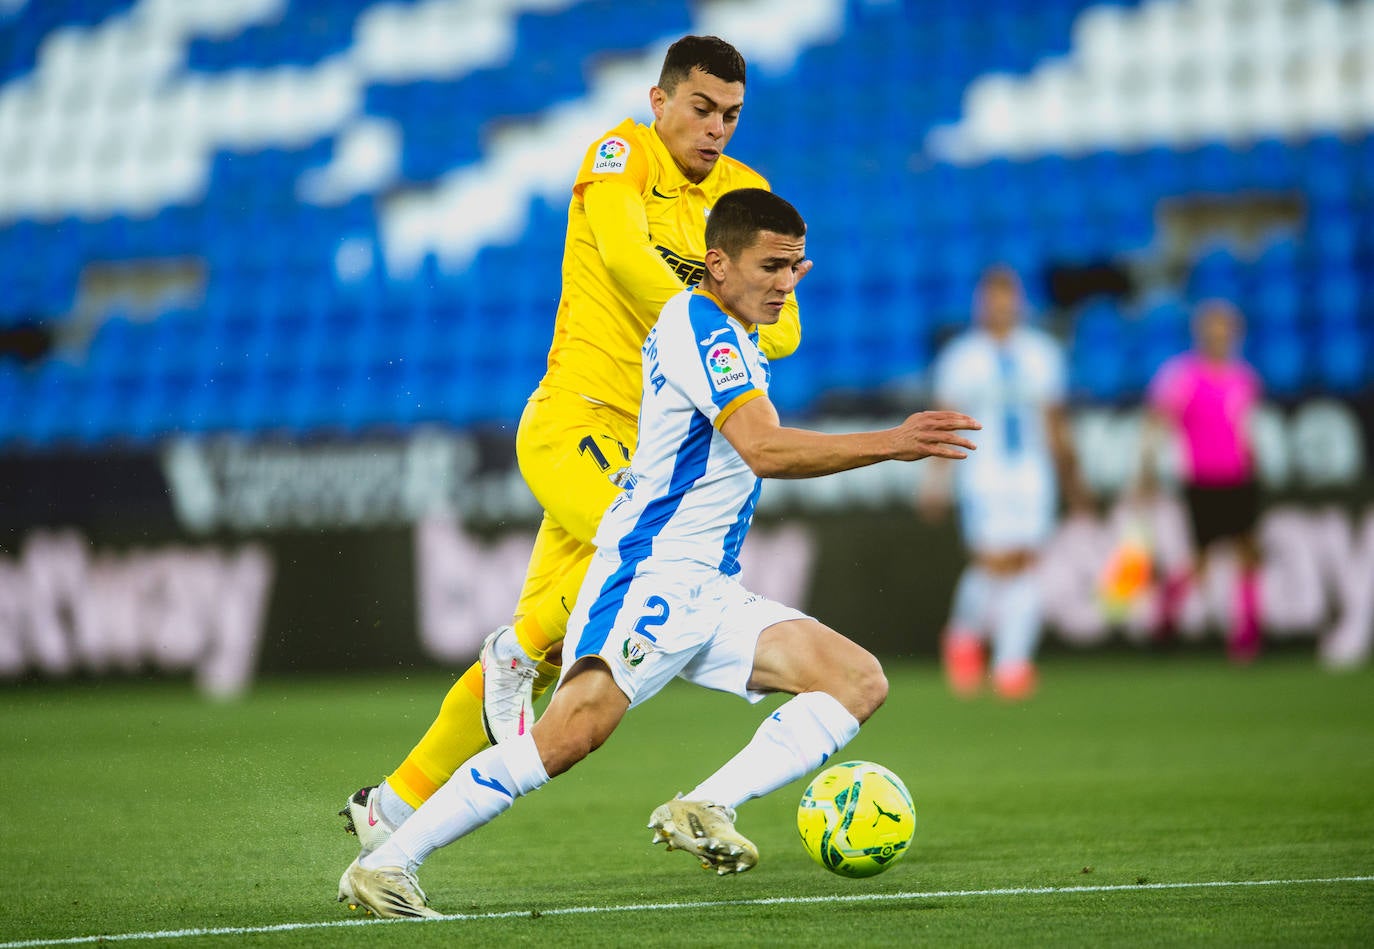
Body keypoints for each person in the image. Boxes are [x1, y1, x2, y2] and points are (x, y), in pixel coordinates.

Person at [336, 189, 980, 917]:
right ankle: (387, 860)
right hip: (651, 570)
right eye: (771, 265)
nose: (786, 282)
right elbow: (763, 448)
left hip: (706, 583)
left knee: (855, 679)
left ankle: (705, 805)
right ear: (718, 262)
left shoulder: (731, 333)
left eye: (798, 266)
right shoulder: (700, 325)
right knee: (571, 732)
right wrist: (891, 441)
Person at [338, 36, 811, 855]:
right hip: (578, 421)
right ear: (661, 101)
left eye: (731, 115)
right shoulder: (621, 153)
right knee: (621, 578)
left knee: (558, 641)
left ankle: (392, 802)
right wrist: (712, 315)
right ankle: (512, 651)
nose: (715, 129)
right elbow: (627, 257)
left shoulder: (746, 194)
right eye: (700, 109)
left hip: (654, 451)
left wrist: (738, 311)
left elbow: (790, 324)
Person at [918, 266, 1086, 700]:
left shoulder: (1042, 353)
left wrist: (1072, 481)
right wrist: (935, 480)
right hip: (982, 471)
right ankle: (963, 635)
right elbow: (943, 422)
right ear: (979, 304)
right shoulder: (962, 356)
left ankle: (1011, 664)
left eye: (1006, 297)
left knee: (1027, 561)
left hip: (1031, 472)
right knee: (994, 561)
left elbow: (1055, 422)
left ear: (1019, 302)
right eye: (991, 298)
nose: (999, 306)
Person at [1142, 299, 1264, 662]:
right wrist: (1147, 470)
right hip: (1203, 478)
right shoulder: (1182, 376)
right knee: (1201, 560)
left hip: (1239, 476)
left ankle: (1247, 635)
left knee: (1247, 552)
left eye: (1225, 329)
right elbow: (1158, 423)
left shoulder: (1244, 378)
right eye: (1213, 329)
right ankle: (1167, 611)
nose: (1219, 336)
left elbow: (1246, 429)